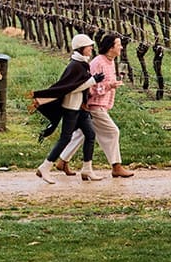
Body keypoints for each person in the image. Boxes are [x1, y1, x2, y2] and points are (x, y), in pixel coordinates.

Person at [53, 33, 134, 178]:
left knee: (84, 133)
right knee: (113, 132)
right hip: (94, 105)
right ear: (110, 48)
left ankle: (62, 161)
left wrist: (112, 84)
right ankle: (116, 166)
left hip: (100, 105)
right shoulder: (98, 63)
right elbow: (91, 88)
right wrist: (110, 85)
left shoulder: (110, 61)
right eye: (118, 44)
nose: (121, 47)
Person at [30, 33, 105, 183]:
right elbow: (70, 88)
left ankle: (87, 169)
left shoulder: (82, 64)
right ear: (81, 48)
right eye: (89, 46)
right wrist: (92, 81)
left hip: (81, 108)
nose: (91, 48)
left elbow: (77, 84)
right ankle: (45, 167)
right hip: (71, 107)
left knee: (90, 135)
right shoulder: (75, 65)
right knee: (65, 138)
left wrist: (91, 81)